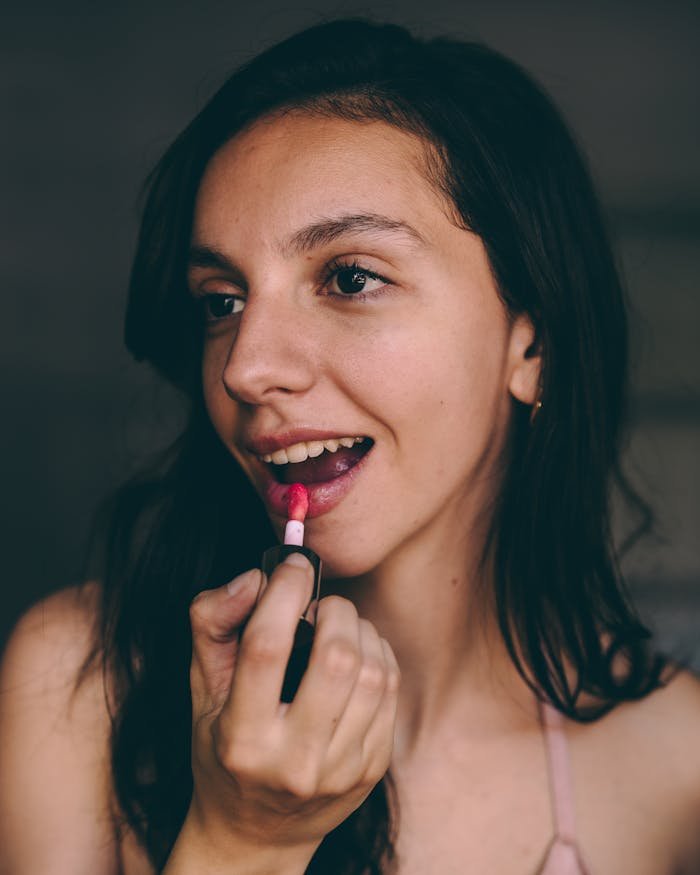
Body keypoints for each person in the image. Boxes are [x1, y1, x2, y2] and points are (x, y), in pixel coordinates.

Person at [1, 17, 699, 875]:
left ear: (531, 342)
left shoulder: (676, 765)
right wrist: (242, 842)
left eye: (350, 278)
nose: (246, 369)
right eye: (221, 300)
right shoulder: (79, 684)